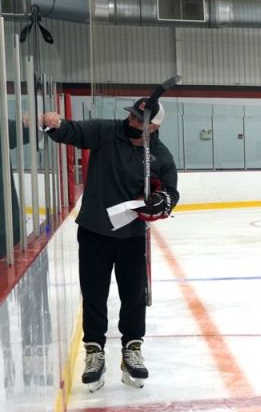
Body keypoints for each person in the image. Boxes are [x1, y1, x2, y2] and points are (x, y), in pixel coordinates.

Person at [41, 98, 179, 391]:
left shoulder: (160, 156)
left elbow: (170, 193)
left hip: (132, 237)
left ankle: (132, 348)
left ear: (153, 127)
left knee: (134, 297)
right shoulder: (106, 132)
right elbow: (74, 132)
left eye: (138, 121)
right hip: (94, 231)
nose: (130, 122)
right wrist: (54, 125)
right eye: (130, 116)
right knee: (94, 295)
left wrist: (162, 202)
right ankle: (94, 351)